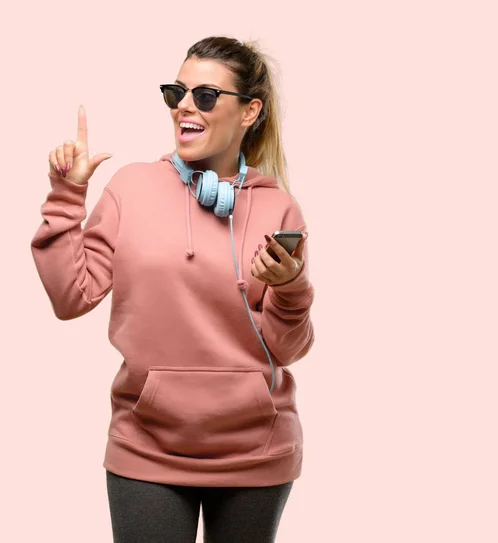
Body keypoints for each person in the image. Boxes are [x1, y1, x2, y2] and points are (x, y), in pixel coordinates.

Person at [31, 36, 315, 543]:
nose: (184, 105)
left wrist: (291, 287)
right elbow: (71, 297)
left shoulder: (279, 209)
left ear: (249, 111)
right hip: (146, 449)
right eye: (176, 92)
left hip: (255, 451)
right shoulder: (132, 187)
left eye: (205, 95)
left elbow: (287, 347)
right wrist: (67, 195)